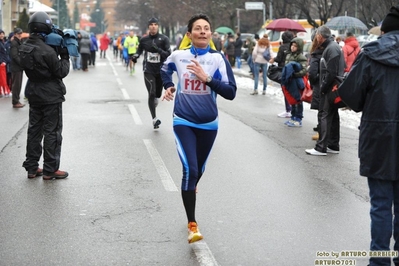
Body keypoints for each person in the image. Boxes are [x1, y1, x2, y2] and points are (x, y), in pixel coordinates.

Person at [160, 13, 236, 244]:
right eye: (198, 28)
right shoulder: (179, 56)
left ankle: (191, 186)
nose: (202, 31)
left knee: (198, 170)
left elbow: (231, 92)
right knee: (190, 170)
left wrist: (207, 79)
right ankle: (192, 224)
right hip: (183, 120)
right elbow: (165, 69)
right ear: (190, 34)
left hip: (208, 124)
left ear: (210, 34)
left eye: (206, 28)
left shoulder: (218, 60)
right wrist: (170, 85)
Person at [338, 6, 399, 266]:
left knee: (381, 204)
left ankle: (380, 260)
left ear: (383, 31)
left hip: (379, 138)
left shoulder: (371, 54)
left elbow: (351, 95)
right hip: (382, 136)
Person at [20, 11, 69, 180]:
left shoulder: (24, 47)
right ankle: (50, 169)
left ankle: (32, 167)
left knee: (34, 131)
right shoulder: (48, 51)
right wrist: (64, 54)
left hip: (34, 93)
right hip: (50, 96)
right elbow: (61, 71)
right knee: (52, 132)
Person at [305, 26, 345, 155]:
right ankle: (333, 145)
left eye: (317, 35)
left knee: (324, 115)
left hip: (330, 87)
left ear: (321, 36)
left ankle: (321, 147)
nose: (316, 38)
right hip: (332, 86)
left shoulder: (331, 48)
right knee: (332, 117)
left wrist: (323, 87)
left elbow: (331, 72)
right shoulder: (331, 47)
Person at [133, 17, 171, 129]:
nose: (153, 26)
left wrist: (158, 49)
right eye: (151, 24)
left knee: (158, 94)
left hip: (161, 71)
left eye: (155, 24)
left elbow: (168, 54)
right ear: (148, 26)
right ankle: (154, 119)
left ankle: (155, 99)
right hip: (148, 70)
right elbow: (139, 51)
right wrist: (135, 56)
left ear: (158, 26)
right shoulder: (144, 40)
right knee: (152, 92)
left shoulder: (164, 39)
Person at [282, 37, 308, 127]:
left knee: (298, 99)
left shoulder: (301, 57)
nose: (293, 47)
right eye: (292, 45)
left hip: (296, 82)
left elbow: (304, 70)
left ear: (299, 47)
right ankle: (293, 117)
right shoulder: (289, 55)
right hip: (290, 81)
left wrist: (295, 74)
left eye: (295, 46)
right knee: (292, 99)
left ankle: (298, 118)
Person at [269, 31, 294, 118]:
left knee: (285, 90)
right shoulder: (293, 46)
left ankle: (288, 110)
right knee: (292, 90)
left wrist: (273, 59)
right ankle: (293, 109)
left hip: (283, 70)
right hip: (293, 70)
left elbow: (279, 59)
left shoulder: (282, 47)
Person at [308, 31, 325, 141]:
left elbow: (312, 73)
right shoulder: (331, 50)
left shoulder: (316, 54)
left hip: (319, 84)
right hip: (329, 83)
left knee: (321, 110)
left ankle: (321, 134)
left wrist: (313, 81)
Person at [10, 28, 25, 108]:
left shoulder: (19, 42)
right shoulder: (14, 43)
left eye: (21, 33)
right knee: (16, 85)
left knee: (18, 85)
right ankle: (15, 102)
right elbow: (14, 56)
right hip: (16, 67)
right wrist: (21, 63)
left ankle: (17, 100)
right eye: (18, 33)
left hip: (19, 67)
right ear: (15, 34)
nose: (20, 35)